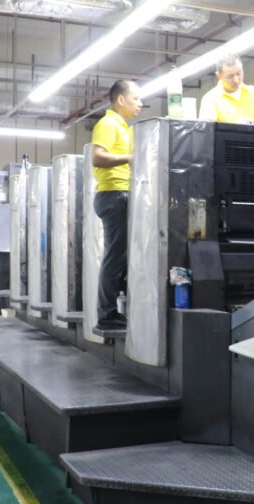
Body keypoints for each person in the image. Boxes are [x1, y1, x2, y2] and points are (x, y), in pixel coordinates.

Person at [91, 79, 142, 331]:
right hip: (113, 195)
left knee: (120, 256)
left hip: (120, 194)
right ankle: (106, 314)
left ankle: (113, 310)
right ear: (121, 99)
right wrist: (130, 158)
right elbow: (97, 157)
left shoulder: (123, 126)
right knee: (114, 257)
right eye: (136, 99)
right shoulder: (108, 123)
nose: (140, 104)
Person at [197, 53, 254, 124]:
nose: (236, 80)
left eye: (239, 73)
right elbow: (207, 131)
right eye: (230, 76)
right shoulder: (210, 99)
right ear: (219, 76)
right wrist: (235, 126)